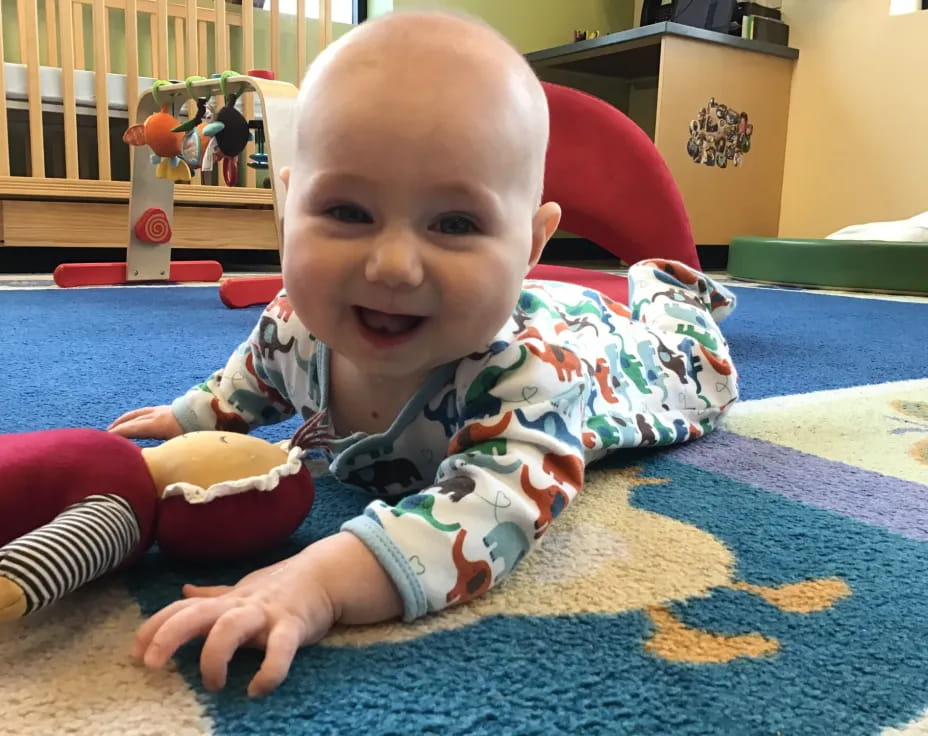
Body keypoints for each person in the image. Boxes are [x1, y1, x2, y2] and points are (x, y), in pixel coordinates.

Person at [109, 9, 739, 697]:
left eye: (455, 223)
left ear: (531, 245)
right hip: (543, 310)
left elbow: (487, 513)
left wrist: (315, 583)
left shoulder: (526, 378)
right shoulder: (294, 324)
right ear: (291, 209)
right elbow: (251, 378)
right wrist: (187, 420)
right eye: (347, 212)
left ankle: (672, 293)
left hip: (615, 357)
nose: (393, 266)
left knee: (688, 355)